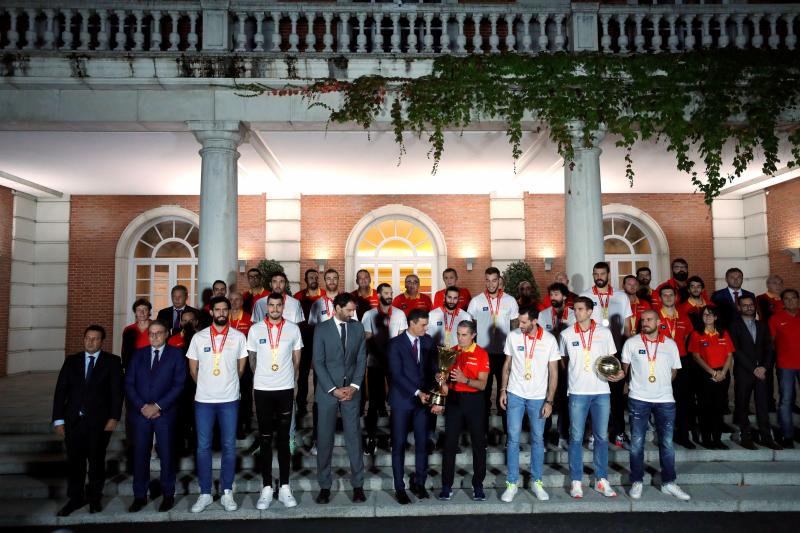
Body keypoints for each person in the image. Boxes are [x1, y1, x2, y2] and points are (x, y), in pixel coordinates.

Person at [52, 325, 123, 517]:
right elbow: (61, 392)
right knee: (75, 463)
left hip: (99, 423)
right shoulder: (71, 361)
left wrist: (114, 418)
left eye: (95, 339)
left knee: (96, 462)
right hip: (73, 421)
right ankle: (75, 499)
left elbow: (117, 393)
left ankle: (94, 499)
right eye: (87, 338)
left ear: (102, 341)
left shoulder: (112, 362)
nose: (90, 342)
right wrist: (58, 420)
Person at [186, 296, 249, 513]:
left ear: (228, 311)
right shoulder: (199, 337)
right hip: (203, 400)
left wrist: (225, 384)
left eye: (225, 309)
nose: (221, 313)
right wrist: (207, 385)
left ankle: (227, 492)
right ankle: (204, 492)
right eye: (217, 310)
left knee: (229, 447)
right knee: (203, 447)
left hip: (229, 399)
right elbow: (193, 370)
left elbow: (241, 369)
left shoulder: (239, 337)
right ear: (211, 312)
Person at [621, 310, 690, 501]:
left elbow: (674, 370)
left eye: (649, 319)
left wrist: (661, 383)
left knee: (667, 443)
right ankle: (637, 480)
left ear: (658, 322)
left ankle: (669, 482)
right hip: (638, 398)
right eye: (642, 320)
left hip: (665, 400)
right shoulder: (631, 343)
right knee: (636, 443)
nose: (645, 323)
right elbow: (625, 370)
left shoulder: (670, 344)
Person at [560, 296, 624, 499]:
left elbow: (613, 361)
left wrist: (620, 373)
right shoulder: (566, 334)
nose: (576, 313)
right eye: (575, 309)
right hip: (578, 391)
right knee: (576, 437)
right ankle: (576, 481)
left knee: (602, 437)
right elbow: (564, 360)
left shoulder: (604, 333)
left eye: (580, 309)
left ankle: (601, 480)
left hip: (601, 391)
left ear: (589, 311)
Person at [247, 293, 303, 509]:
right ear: (266, 307)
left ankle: (286, 487)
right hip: (263, 390)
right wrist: (262, 377)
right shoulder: (255, 329)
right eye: (271, 305)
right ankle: (267, 487)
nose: (275, 308)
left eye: (279, 305)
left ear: (283, 307)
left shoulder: (293, 329)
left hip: (285, 389)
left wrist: (291, 378)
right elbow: (252, 359)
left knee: (283, 440)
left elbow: (297, 359)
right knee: (265, 439)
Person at [499, 306, 560, 502]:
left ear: (534, 321)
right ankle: (512, 482)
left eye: (524, 322)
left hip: (538, 397)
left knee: (537, 440)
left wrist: (549, 401)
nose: (520, 325)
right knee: (513, 439)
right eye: (519, 321)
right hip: (515, 394)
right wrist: (502, 390)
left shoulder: (549, 340)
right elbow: (506, 366)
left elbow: (554, 373)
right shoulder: (513, 336)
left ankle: (537, 481)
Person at [125, 321, 186, 513]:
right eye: (151, 333)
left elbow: (179, 385)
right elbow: (129, 384)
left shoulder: (176, 355)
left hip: (164, 413)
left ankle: (168, 494)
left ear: (166, 334)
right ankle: (140, 496)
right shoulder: (138, 355)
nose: (154, 336)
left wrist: (158, 406)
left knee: (167, 454)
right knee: (140, 454)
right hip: (141, 413)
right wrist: (142, 406)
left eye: (158, 333)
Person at [312, 293, 367, 504]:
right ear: (337, 308)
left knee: (354, 438)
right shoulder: (321, 329)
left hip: (351, 391)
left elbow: (362, 358)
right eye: (349, 310)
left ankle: (358, 486)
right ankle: (325, 486)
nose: (353, 313)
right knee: (325, 440)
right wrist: (333, 389)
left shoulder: (357, 327)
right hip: (328, 393)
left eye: (354, 310)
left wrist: (353, 386)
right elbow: (318, 362)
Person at [387, 309, 438, 504]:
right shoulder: (395, 344)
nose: (426, 328)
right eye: (423, 325)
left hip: (422, 403)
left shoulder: (428, 341)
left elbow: (433, 368)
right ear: (411, 323)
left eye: (427, 324)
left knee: (422, 444)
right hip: (402, 401)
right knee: (398, 445)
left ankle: (420, 483)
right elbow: (397, 374)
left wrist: (438, 378)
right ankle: (400, 488)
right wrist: (418, 392)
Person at [580, 262, 632, 449]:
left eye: (602, 273)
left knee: (617, 396)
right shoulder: (586, 295)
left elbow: (628, 326)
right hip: (593, 352)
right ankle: (594, 434)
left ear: (608, 275)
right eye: (596, 274)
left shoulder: (620, 296)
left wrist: (627, 349)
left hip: (616, 352)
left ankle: (619, 433)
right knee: (594, 394)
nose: (599, 276)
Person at [437, 320, 490, 502]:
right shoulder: (451, 351)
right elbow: (444, 385)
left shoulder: (482, 354)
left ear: (473, 335)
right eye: (458, 334)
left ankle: (478, 486)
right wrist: (441, 380)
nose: (460, 338)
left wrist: (464, 379)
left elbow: (482, 385)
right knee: (450, 444)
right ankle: (446, 485)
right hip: (454, 401)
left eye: (464, 334)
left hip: (475, 401)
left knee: (478, 445)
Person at [467, 266, 520, 438]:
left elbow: (515, 328)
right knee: (483, 395)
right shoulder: (476, 301)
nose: (491, 284)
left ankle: (508, 435)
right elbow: (471, 328)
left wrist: (514, 353)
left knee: (505, 394)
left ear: (499, 280)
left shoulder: (510, 301)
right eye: (488, 280)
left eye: (494, 280)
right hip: (483, 355)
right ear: (485, 280)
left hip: (504, 354)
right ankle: (481, 434)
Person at [361, 283, 408, 454]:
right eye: (386, 293)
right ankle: (371, 438)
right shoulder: (369, 315)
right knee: (373, 403)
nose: (389, 295)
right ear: (379, 295)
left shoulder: (400, 314)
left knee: (396, 401)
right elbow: (367, 339)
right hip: (375, 363)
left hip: (394, 365)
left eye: (391, 292)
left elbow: (403, 339)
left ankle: (395, 437)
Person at [729, 294, 780, 449]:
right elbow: (736, 351)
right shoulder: (733, 326)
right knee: (743, 405)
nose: (748, 307)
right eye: (744, 305)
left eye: (751, 305)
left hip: (762, 372)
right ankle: (746, 437)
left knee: (763, 405)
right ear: (739, 307)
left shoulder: (762, 325)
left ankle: (766, 437)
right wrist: (753, 368)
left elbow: (769, 349)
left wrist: (764, 367)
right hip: (744, 372)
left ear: (754, 306)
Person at [688, 306, 733, 449]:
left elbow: (730, 355)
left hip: (722, 374)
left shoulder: (723, 333)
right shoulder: (696, 334)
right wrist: (713, 373)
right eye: (705, 314)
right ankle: (707, 439)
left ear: (716, 317)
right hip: (704, 375)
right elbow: (696, 356)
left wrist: (723, 372)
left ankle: (718, 439)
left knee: (719, 408)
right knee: (705, 408)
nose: (707, 317)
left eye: (710, 314)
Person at [656, 286, 696, 449]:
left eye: (671, 295)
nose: (668, 297)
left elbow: (687, 337)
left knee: (683, 399)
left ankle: (683, 435)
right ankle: (663, 436)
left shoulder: (684, 317)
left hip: (681, 361)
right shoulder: (656, 317)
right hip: (660, 361)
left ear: (676, 297)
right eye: (664, 295)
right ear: (659, 298)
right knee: (662, 399)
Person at [539, 282, 576, 449]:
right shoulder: (543, 315)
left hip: (568, 362)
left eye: (556, 294)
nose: (553, 298)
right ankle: (543, 437)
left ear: (565, 296)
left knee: (564, 401)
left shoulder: (575, 315)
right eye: (551, 295)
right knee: (546, 398)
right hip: (548, 363)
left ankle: (563, 435)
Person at [770, 288, 800, 449]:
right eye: (786, 299)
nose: (790, 301)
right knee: (786, 401)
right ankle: (787, 435)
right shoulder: (776, 319)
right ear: (782, 302)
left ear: (798, 299)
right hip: (785, 365)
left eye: (793, 298)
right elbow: (771, 342)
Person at [168, 308, 199, 455]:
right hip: (179, 385)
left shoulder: (202, 338)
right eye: (185, 320)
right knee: (180, 416)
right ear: (180, 323)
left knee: (196, 416)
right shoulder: (173, 340)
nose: (188, 323)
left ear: (196, 322)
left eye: (191, 320)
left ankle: (194, 443)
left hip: (197, 383)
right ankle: (180, 444)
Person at [229, 291, 254, 438]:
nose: (234, 302)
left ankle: (246, 423)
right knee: (231, 395)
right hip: (226, 363)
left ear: (242, 302)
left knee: (245, 393)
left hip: (244, 361)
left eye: (237, 299)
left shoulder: (249, 318)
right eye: (231, 300)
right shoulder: (224, 318)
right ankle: (234, 425)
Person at [121, 298, 152, 370]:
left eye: (145, 309)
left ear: (149, 311)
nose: (142, 312)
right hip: (134, 367)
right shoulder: (128, 329)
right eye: (138, 310)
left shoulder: (157, 327)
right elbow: (124, 351)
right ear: (135, 312)